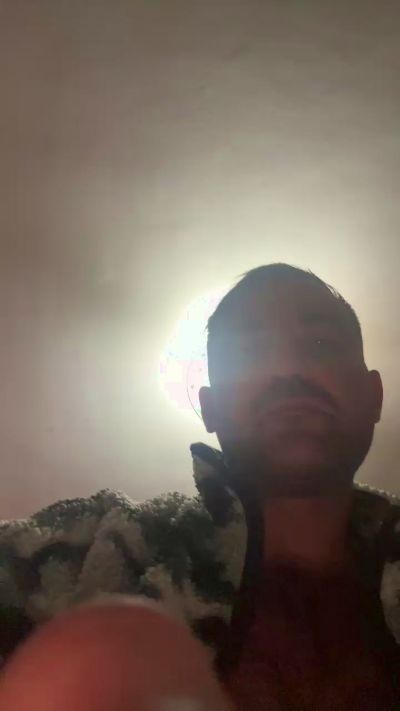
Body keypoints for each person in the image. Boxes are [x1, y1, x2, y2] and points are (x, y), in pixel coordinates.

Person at [0, 263, 399, 710]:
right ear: (210, 409)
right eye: (248, 354)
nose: (288, 369)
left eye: (321, 344)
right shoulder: (103, 546)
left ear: (374, 396)